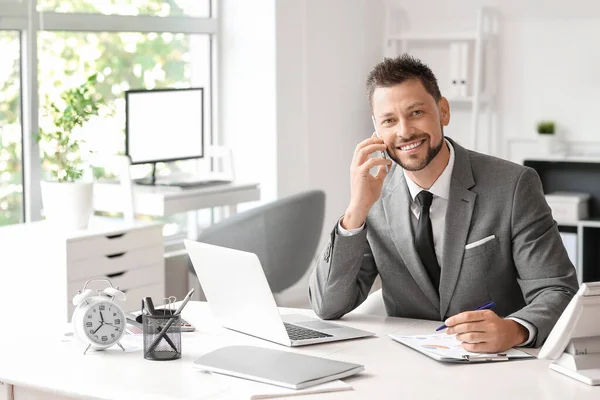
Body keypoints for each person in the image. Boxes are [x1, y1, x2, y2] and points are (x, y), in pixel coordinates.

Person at [308, 54, 578, 353]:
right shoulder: (373, 195)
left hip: (495, 363)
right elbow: (327, 305)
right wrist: (356, 210)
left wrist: (514, 330)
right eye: (389, 120)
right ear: (377, 129)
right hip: (407, 363)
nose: (404, 131)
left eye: (416, 112)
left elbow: (558, 291)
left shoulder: (513, 185)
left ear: (443, 111)